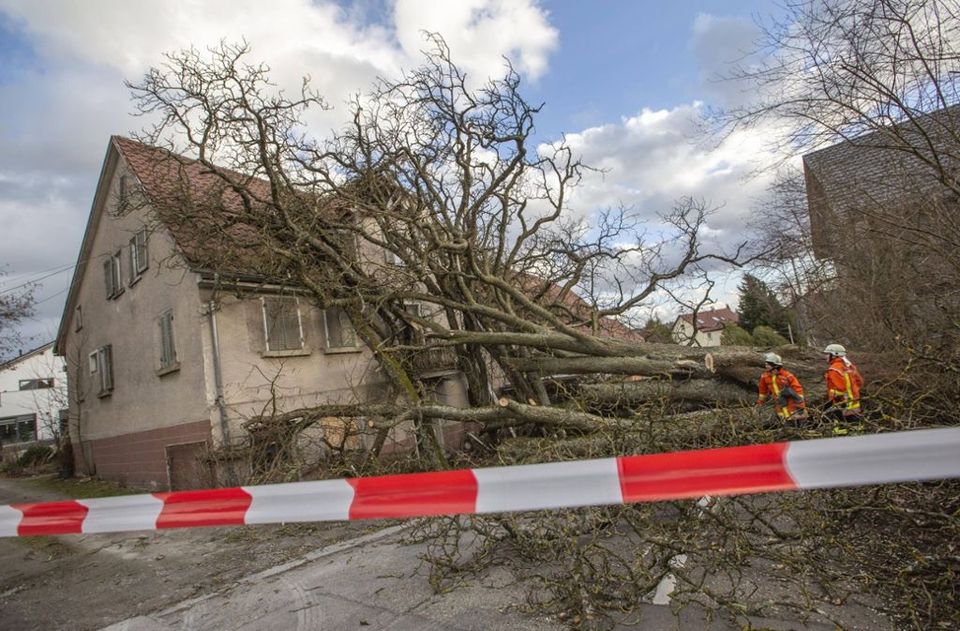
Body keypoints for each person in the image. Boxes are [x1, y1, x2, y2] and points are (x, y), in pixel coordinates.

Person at [756, 352, 809, 423]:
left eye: (768, 364)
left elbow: (797, 388)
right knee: (784, 419)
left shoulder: (787, 375)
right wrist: (760, 402)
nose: (766, 366)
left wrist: (800, 403)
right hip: (779, 402)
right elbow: (763, 391)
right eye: (766, 364)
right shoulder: (764, 377)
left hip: (791, 401)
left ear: (775, 365)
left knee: (796, 419)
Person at [822, 343, 863, 430]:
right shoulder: (850, 366)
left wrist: (831, 399)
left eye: (827, 354)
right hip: (854, 404)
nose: (825, 356)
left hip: (841, 405)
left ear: (834, 355)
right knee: (857, 430)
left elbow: (839, 390)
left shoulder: (834, 369)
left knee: (841, 431)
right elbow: (860, 382)